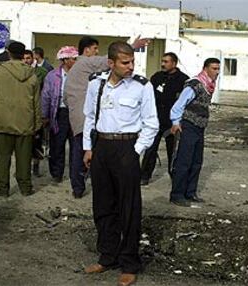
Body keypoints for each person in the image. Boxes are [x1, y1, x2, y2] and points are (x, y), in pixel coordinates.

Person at [82, 41, 158, 286]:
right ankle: (108, 256)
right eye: (125, 62)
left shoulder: (141, 87)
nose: (130, 66)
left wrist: (135, 151)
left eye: (132, 62)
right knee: (103, 206)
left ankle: (129, 263)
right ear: (111, 63)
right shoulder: (97, 84)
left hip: (127, 147)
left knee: (129, 209)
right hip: (101, 147)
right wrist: (88, 148)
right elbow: (90, 117)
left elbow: (151, 123)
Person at [64, 35, 148, 198]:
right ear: (87, 49)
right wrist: (132, 46)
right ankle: (92, 185)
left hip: (77, 115)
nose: (96, 52)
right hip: (88, 117)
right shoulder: (86, 62)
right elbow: (110, 59)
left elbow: (66, 97)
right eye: (95, 49)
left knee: (78, 151)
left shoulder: (75, 68)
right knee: (89, 153)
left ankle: (78, 187)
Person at [0, 41, 42, 196]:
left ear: (9, 53)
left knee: (2, 158)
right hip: (25, 121)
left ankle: (2, 189)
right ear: (23, 55)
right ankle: (26, 188)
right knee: (24, 159)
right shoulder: (32, 75)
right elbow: (36, 103)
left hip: (2, 119)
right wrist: (37, 123)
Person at [169, 58, 220, 207]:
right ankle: (177, 194)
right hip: (188, 125)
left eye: (218, 69)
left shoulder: (209, 85)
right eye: (213, 68)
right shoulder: (195, 85)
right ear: (205, 69)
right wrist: (175, 122)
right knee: (184, 161)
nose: (216, 72)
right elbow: (179, 105)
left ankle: (190, 193)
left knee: (196, 161)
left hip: (199, 127)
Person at [140, 52, 189, 186]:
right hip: (156, 120)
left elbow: (185, 102)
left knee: (173, 152)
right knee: (150, 149)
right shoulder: (157, 77)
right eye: (162, 61)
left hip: (172, 122)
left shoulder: (183, 80)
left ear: (174, 63)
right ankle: (144, 176)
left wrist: (178, 121)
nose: (163, 64)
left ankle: (175, 178)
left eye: (166, 62)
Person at [41, 46, 78, 183]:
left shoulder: (80, 75)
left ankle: (76, 174)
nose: (76, 61)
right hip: (59, 113)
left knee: (76, 146)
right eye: (73, 59)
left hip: (75, 114)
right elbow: (46, 96)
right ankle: (56, 173)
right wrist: (45, 115)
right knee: (57, 145)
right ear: (65, 60)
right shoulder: (52, 76)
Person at [23, 49, 48, 177]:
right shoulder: (18, 73)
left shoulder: (42, 73)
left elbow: (45, 93)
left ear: (33, 58)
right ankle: (24, 168)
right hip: (22, 112)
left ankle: (36, 167)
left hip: (37, 112)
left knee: (37, 142)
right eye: (24, 58)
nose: (26, 61)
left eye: (28, 58)